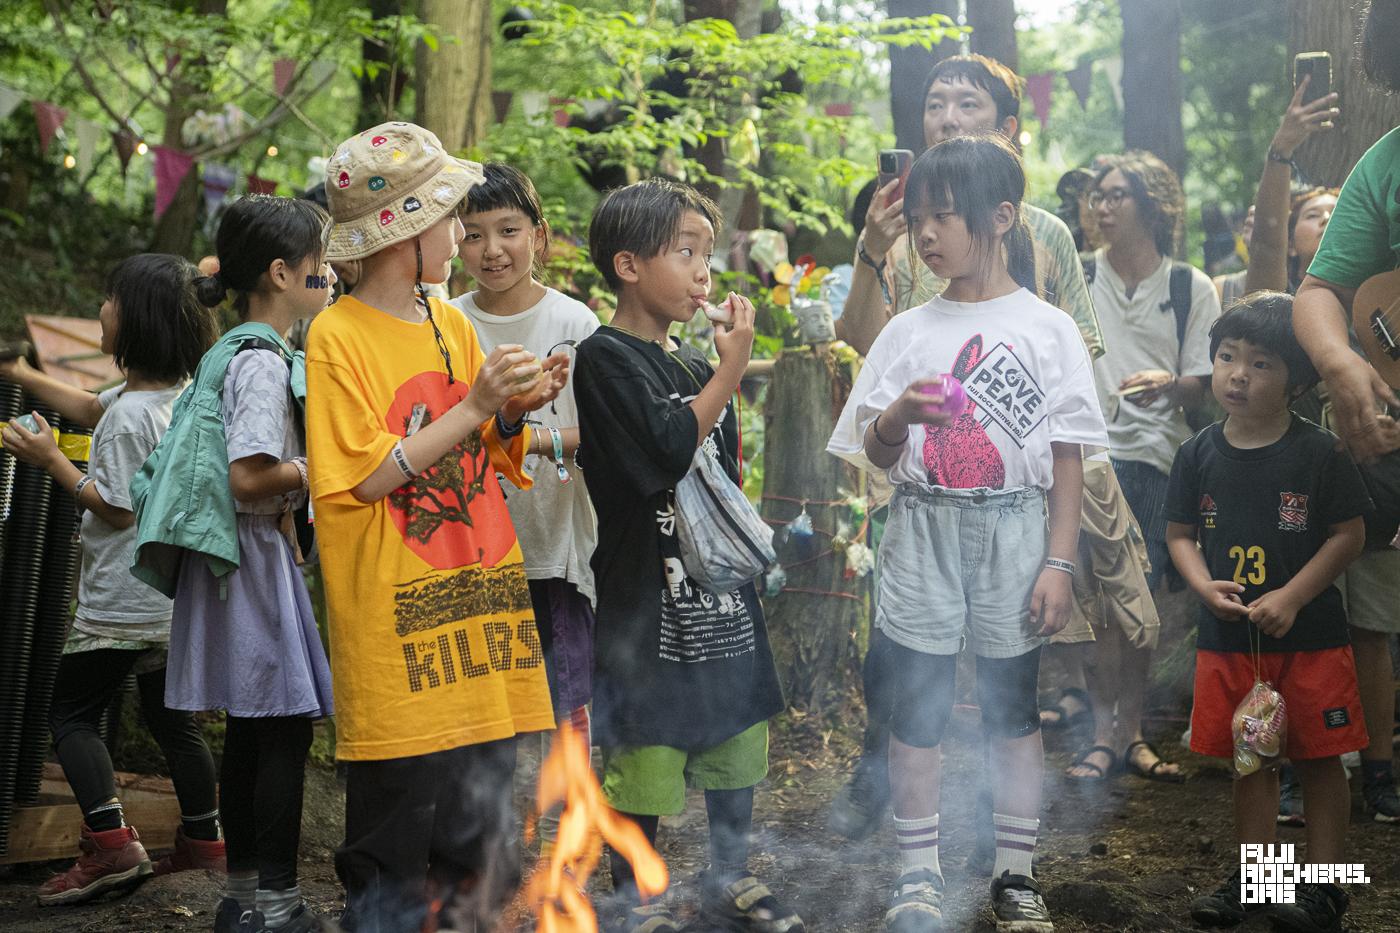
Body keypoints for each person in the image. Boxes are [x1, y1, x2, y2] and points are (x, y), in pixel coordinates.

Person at [829, 53, 1130, 844]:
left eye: (943, 217)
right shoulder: (904, 279)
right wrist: (895, 412)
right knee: (911, 695)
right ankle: (911, 853)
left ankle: (1019, 860)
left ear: (1000, 214)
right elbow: (866, 393)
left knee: (1011, 695)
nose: (926, 232)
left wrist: (1060, 556)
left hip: (1018, 511)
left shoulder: (1045, 283)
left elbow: (1068, 427)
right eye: (935, 102)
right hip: (920, 512)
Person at [306, 123, 567, 933]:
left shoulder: (448, 322)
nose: (463, 237)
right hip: (397, 620)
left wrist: (513, 409)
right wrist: (481, 407)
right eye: (453, 218)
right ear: (407, 230)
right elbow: (367, 474)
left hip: (477, 605)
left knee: (479, 829)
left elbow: (478, 444)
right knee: (392, 834)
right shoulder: (335, 335)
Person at [572, 179, 801, 933]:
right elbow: (670, 448)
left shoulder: (692, 366)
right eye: (686, 252)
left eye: (707, 254)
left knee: (735, 729)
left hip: (716, 594)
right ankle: (638, 895)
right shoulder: (604, 359)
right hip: (645, 597)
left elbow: (723, 470)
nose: (704, 272)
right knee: (647, 746)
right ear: (629, 264)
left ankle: (729, 875)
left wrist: (719, 372)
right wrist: (732, 369)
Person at [133, 196, 337, 933]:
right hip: (248, 559)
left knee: (258, 727)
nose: (330, 276)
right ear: (283, 274)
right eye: (321, 268)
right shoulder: (260, 359)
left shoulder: (233, 349)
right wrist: (319, 467)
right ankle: (274, 903)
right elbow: (248, 477)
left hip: (236, 560)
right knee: (281, 726)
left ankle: (244, 897)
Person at [0, 255, 223, 906]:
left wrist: (49, 460)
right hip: (169, 596)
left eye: (110, 301)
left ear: (137, 326)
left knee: (68, 713)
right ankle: (206, 843)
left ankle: (110, 840)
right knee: (171, 720)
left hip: (121, 598)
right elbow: (86, 405)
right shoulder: (168, 396)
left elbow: (119, 505)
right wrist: (19, 372)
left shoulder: (129, 418)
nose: (100, 309)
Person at [1167, 293, 1370, 932]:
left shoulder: (1320, 453)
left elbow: (1349, 533)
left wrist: (1292, 596)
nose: (1237, 374)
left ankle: (1325, 889)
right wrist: (1203, 586)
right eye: (1227, 357)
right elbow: (1177, 532)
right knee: (1250, 758)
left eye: (1260, 364)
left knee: (1317, 759)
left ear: (1298, 380)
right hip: (1229, 641)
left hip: (1309, 637)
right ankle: (1256, 880)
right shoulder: (1197, 451)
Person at [1067, 151, 1222, 784]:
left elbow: (1209, 381)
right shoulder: (1076, 275)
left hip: (1158, 455)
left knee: (1139, 599)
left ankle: (1127, 731)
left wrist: (1172, 383)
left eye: (1117, 195)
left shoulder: (1189, 286)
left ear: (1152, 206)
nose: (1101, 207)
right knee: (1093, 597)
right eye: (1097, 196)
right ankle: (1100, 733)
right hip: (1085, 452)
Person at [1292, 0, 1400, 827]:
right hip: (1388, 438)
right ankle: (1303, 877)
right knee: (1339, 597)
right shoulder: (1384, 164)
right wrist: (1340, 364)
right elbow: (1322, 289)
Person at [447, 164, 598, 754]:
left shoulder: (575, 323)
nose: (492, 250)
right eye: (474, 233)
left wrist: (532, 439)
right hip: (471, 549)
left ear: (540, 234)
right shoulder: (447, 320)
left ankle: (571, 834)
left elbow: (601, 434)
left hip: (551, 546)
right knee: (486, 708)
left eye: (508, 230)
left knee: (563, 701)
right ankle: (496, 837)